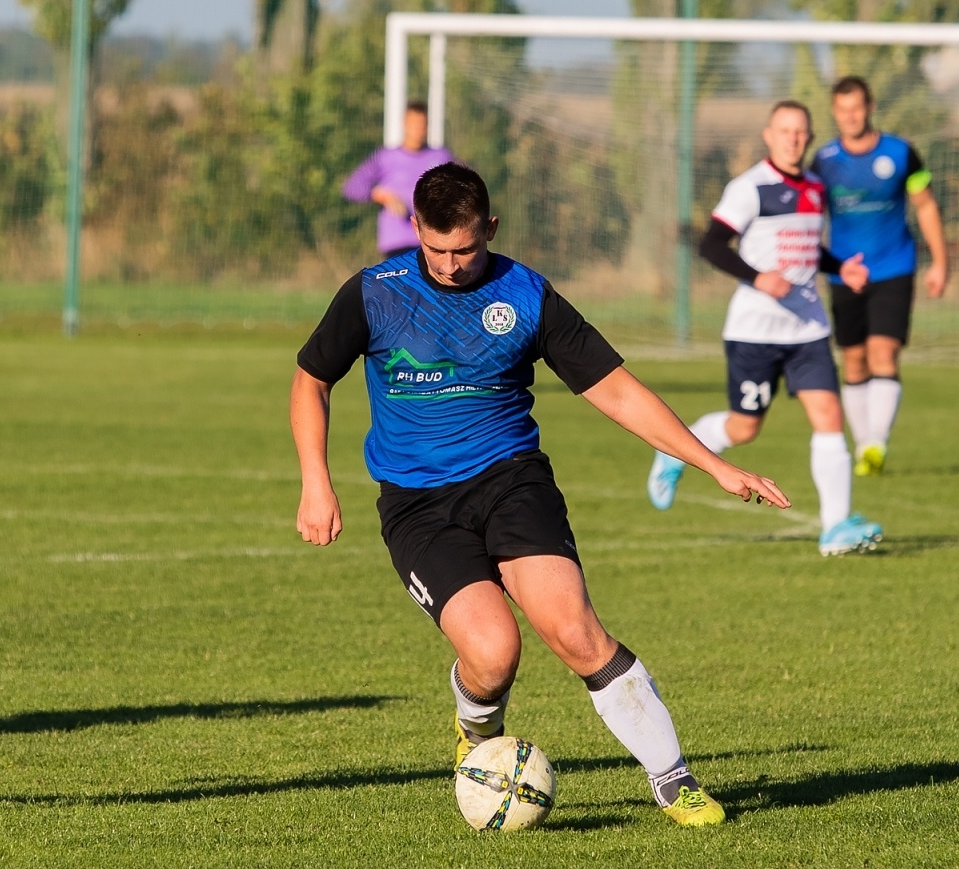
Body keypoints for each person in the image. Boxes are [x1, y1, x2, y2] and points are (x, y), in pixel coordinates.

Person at [293, 162, 790, 827]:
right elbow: (311, 379)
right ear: (413, 228)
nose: (449, 265)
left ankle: (674, 779)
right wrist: (316, 482)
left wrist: (711, 464)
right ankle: (475, 730)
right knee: (493, 654)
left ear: (490, 229)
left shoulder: (527, 295)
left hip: (512, 482)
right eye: (436, 248)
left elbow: (613, 388)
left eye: (465, 248)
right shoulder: (374, 293)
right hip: (418, 503)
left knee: (575, 631)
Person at [647, 100, 884, 557]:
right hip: (755, 331)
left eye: (801, 132)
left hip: (808, 329)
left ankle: (835, 528)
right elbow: (711, 244)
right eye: (786, 131)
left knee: (829, 418)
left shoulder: (816, 186)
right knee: (745, 428)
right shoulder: (750, 188)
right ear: (769, 136)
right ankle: (675, 450)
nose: (794, 138)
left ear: (809, 138)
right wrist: (757, 278)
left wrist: (841, 269)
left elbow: (808, 248)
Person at [812, 76, 949, 476]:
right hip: (844, 274)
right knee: (853, 361)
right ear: (835, 112)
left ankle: (877, 444)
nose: (849, 116)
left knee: (883, 352)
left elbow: (925, 207)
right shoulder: (824, 161)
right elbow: (809, 216)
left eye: (856, 108)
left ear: (870, 108)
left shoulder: (901, 154)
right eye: (842, 109)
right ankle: (864, 447)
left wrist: (940, 262)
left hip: (894, 267)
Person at [341, 101, 453, 258]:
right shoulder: (385, 157)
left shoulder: (441, 157)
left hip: (432, 241)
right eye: (414, 124)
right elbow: (351, 187)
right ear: (404, 124)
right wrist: (382, 196)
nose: (418, 131)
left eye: (422, 125)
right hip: (397, 243)